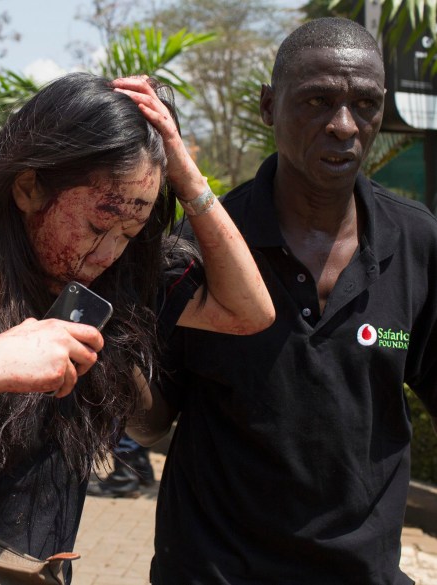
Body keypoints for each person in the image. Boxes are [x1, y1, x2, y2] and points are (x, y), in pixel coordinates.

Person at [0, 71, 274, 581]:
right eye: (95, 227)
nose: (108, 252)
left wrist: (187, 176)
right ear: (28, 188)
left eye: (130, 231)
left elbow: (250, 311)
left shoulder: (117, 285)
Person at [129, 17, 437, 584]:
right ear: (270, 106)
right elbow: (151, 424)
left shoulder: (415, 242)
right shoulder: (195, 249)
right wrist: (109, 352)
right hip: (213, 570)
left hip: (363, 573)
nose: (344, 126)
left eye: (364, 104)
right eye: (317, 100)